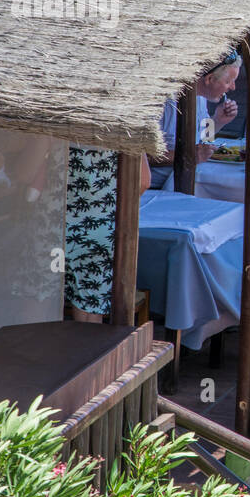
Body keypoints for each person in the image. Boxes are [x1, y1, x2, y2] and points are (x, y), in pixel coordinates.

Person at [65, 148, 152, 322]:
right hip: (100, 228)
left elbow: (28, 175)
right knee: (89, 312)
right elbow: (142, 181)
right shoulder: (126, 122)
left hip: (53, 225)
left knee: (39, 303)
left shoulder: (56, 122)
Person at [149, 49, 240, 188]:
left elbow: (203, 138)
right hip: (158, 188)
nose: (233, 88)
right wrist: (188, 155)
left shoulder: (200, 96)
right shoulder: (166, 103)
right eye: (229, 81)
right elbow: (140, 156)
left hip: (192, 177)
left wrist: (219, 120)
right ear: (209, 79)